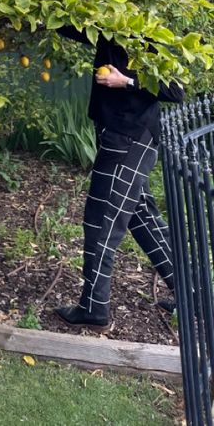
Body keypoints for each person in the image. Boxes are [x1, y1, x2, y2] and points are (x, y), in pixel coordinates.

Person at [54, 26, 183, 329]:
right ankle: (190, 294)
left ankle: (94, 308)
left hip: (129, 138)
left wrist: (124, 81)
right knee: (142, 217)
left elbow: (175, 90)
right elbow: (75, 26)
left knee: (101, 220)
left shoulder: (148, 30)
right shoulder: (114, 23)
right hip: (121, 135)